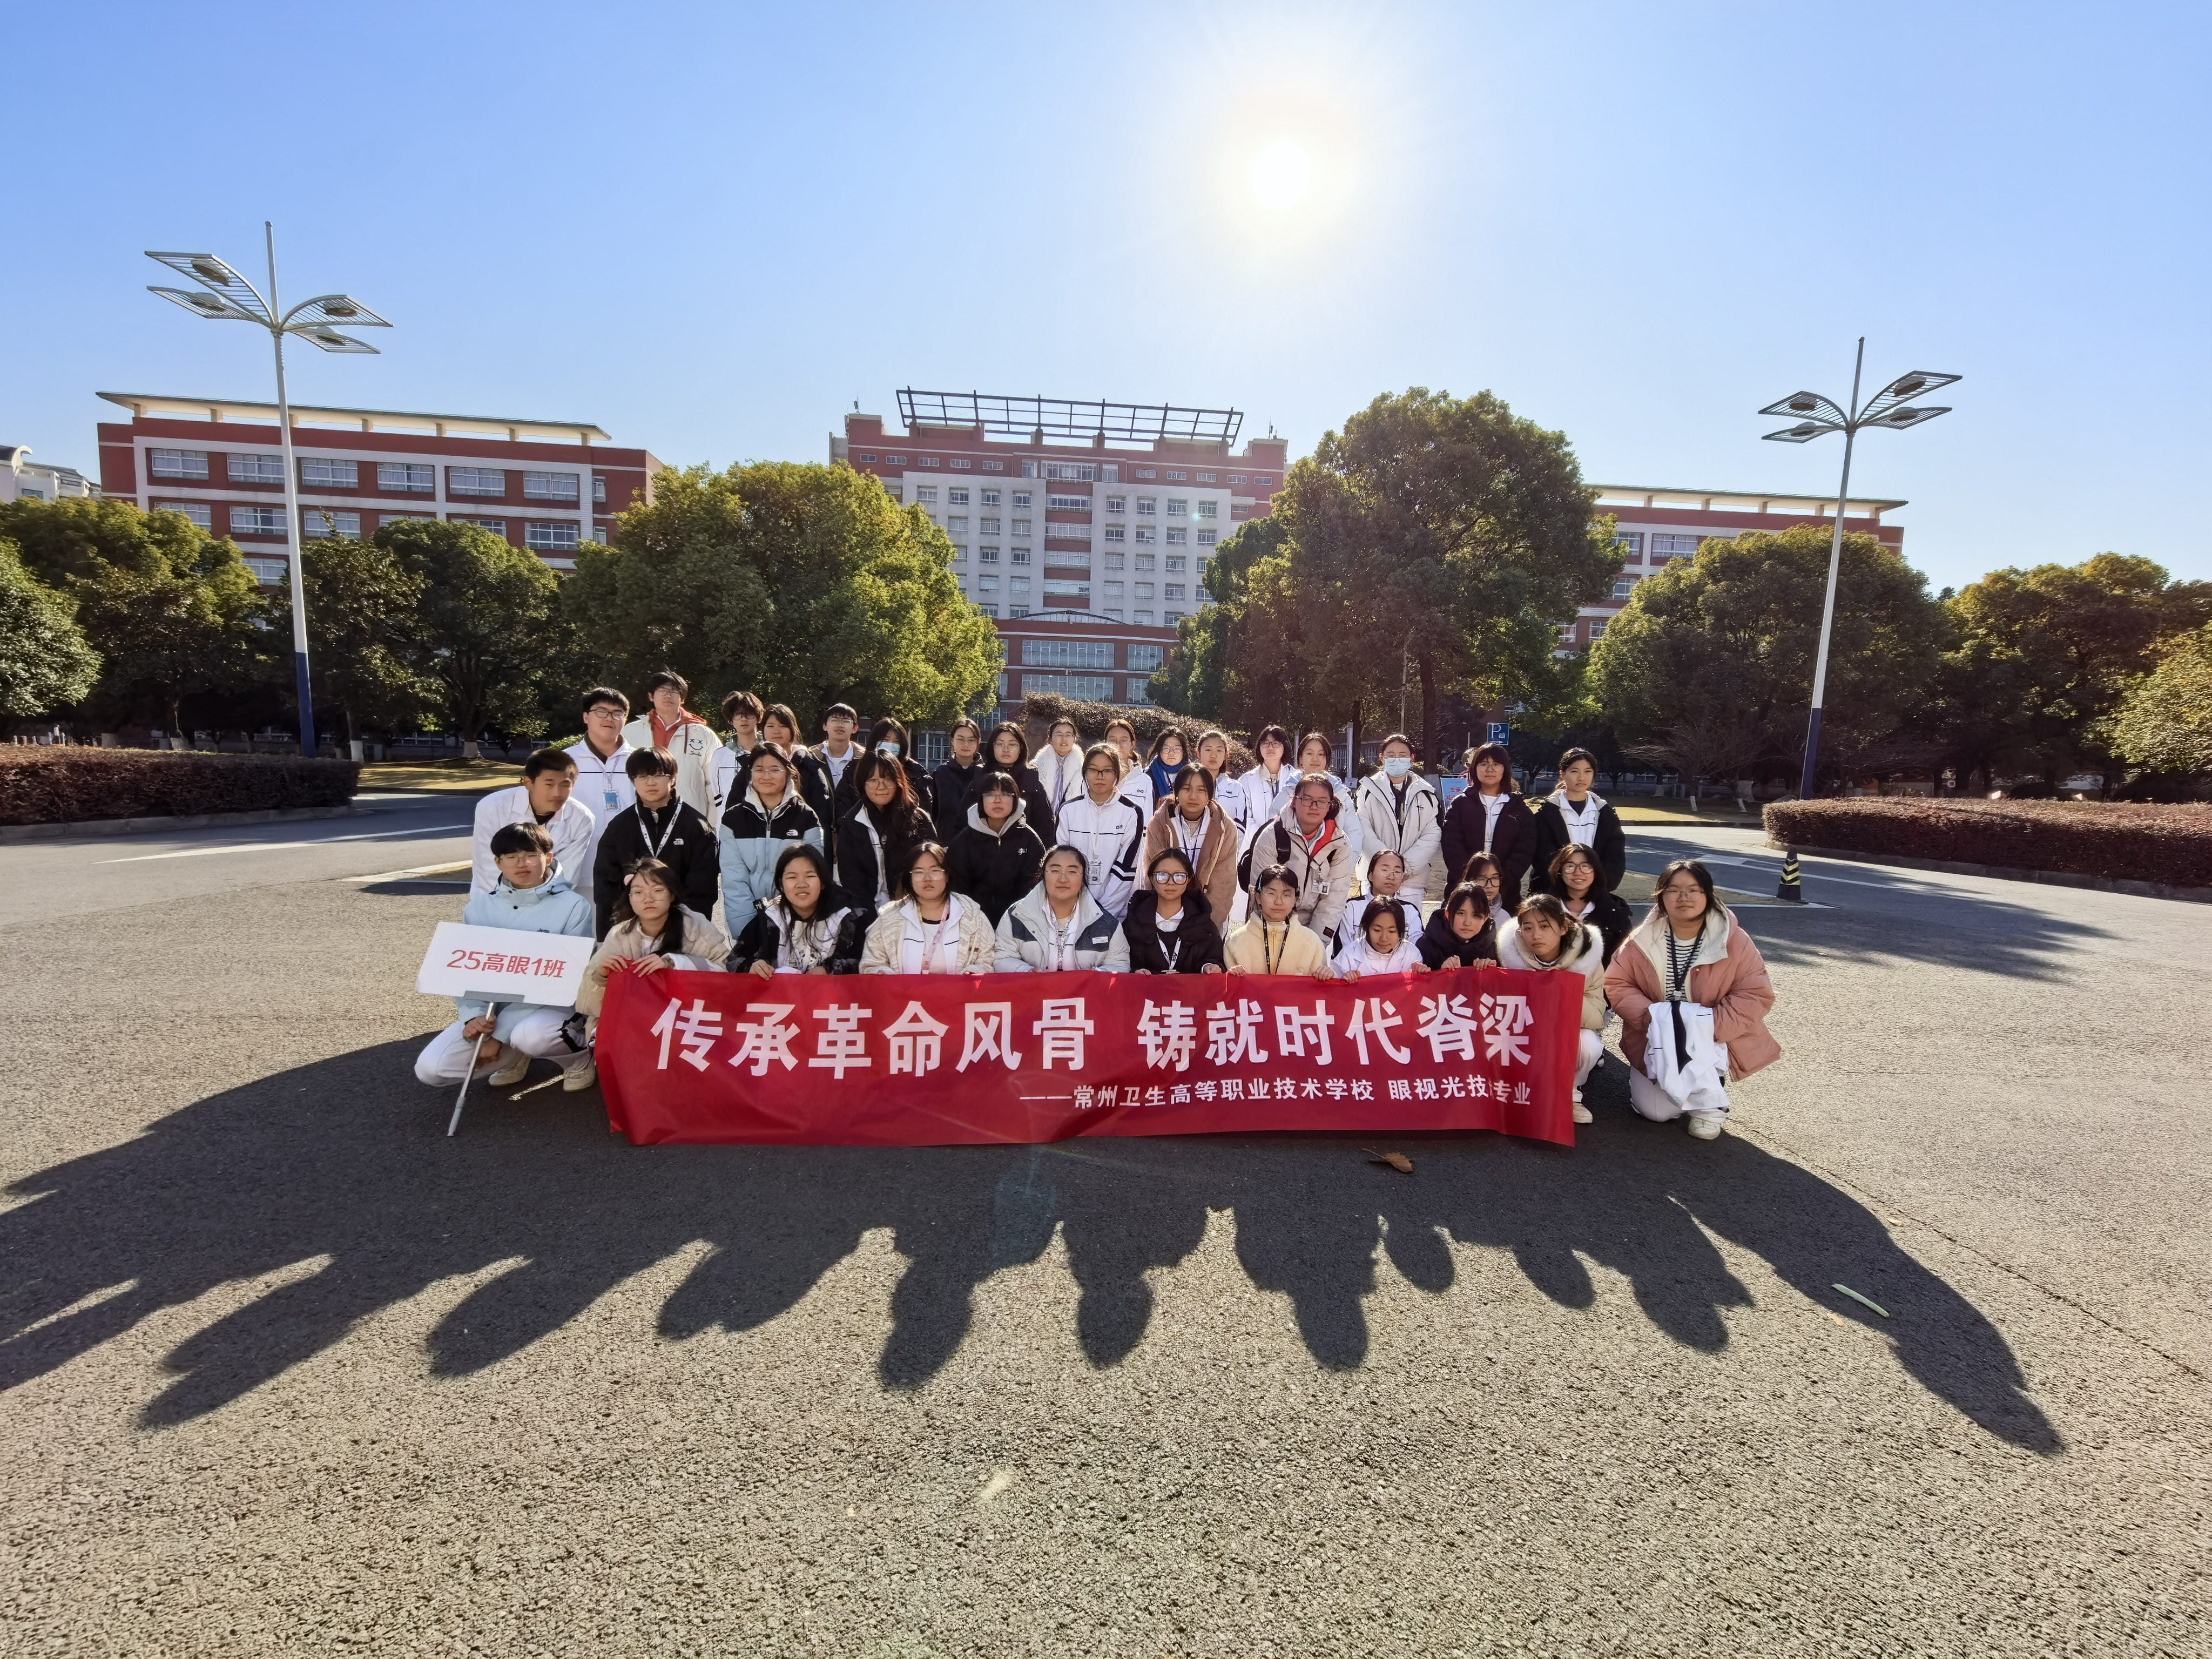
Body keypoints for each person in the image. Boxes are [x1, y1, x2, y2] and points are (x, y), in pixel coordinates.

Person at [1604, 859, 1781, 1141]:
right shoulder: (1643, 939)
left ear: (1707, 895)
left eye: (1693, 890)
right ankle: (1677, 1085)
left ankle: (1711, 1102)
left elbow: (1755, 993)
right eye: (1673, 890)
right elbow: (1617, 982)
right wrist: (1654, 1020)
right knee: (1656, 1112)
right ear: (1661, 896)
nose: (1683, 897)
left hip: (1712, 1037)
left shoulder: (1733, 939)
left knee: (1693, 1028)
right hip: (1655, 1034)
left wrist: (1707, 1027)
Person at [415, 821, 598, 1092]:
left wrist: (498, 1036)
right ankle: (514, 1056)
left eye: (531, 855)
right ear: (498, 863)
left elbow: (565, 980)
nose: (522, 864)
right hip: (494, 1011)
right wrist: (473, 1017)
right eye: (511, 857)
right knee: (432, 1068)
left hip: (554, 1005)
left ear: (548, 857)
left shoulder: (573, 906)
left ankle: (579, 1060)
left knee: (531, 1036)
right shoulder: (478, 908)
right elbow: (466, 974)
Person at [576, 857, 731, 1030]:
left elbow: (726, 974)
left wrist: (675, 963)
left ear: (671, 894)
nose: (648, 899)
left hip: (687, 1024)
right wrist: (603, 976)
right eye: (638, 892)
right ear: (630, 898)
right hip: (634, 1025)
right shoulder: (620, 935)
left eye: (657, 890)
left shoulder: (696, 927)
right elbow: (586, 1000)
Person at [1498, 891, 1606, 1125]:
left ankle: (1571, 1093)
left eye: (1545, 926)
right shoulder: (1512, 959)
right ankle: (1520, 1091)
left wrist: (1563, 993)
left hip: (1568, 1030)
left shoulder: (1587, 961)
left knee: (1588, 1045)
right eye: (1528, 928)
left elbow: (1597, 1013)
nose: (1536, 935)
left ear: (1563, 928)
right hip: (1528, 1031)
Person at [591, 746, 718, 938]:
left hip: (682, 933)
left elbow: (702, 891)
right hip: (630, 933)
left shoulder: (697, 827)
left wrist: (680, 931)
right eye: (642, 776)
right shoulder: (619, 827)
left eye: (658, 775)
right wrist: (614, 936)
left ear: (673, 778)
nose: (650, 782)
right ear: (633, 781)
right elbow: (606, 889)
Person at [1238, 772, 1355, 950]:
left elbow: (1334, 901)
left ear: (1330, 805)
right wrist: (1271, 941)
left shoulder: (1339, 844)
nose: (1314, 807)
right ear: (1294, 801)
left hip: (1314, 931)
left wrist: (1314, 946)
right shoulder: (1273, 836)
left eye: (1322, 801)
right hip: (1270, 929)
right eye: (1307, 800)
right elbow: (1261, 893)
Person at [718, 741, 825, 934]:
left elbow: (810, 876)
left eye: (775, 769)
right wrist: (746, 930)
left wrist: (787, 920)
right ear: (750, 773)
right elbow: (734, 881)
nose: (766, 776)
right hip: (746, 920)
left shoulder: (806, 817)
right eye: (759, 769)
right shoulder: (733, 819)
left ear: (788, 772)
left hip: (794, 921)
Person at [729, 842, 867, 976]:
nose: (801, 884)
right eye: (792, 877)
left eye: (810, 876)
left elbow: (867, 962)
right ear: (781, 885)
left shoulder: (849, 918)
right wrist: (753, 966)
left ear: (823, 882)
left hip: (831, 993)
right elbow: (734, 960)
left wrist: (830, 970)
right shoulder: (769, 919)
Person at [470, 748, 594, 895]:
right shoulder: (493, 807)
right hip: (494, 899)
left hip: (549, 902)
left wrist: (541, 904)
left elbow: (565, 876)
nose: (557, 793)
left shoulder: (582, 818)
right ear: (528, 783)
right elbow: (488, 870)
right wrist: (504, 903)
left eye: (565, 785)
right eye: (549, 784)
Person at [859, 842, 996, 973]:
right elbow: (871, 964)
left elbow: (988, 960)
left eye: (935, 871)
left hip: (960, 990)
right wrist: (882, 973)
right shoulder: (888, 918)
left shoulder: (973, 917)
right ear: (909, 879)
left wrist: (973, 973)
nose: (927, 878)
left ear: (947, 875)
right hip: (904, 991)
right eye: (919, 872)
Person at [995, 845, 1131, 971]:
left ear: (1083, 877)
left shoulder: (1106, 924)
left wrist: (1091, 978)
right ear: (1044, 874)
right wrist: (1026, 971)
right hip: (1032, 990)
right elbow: (1002, 956)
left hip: (1085, 991)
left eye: (1072, 871)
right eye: (1055, 871)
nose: (1063, 879)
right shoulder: (1017, 916)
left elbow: (1119, 964)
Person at [835, 751, 937, 915]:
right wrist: (870, 921)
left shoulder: (919, 819)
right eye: (873, 780)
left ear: (898, 781)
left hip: (915, 913)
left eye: (888, 779)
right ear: (862, 784)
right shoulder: (851, 825)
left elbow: (933, 867)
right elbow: (852, 881)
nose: (881, 787)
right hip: (869, 917)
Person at [1055, 742, 1147, 919]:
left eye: (1107, 771)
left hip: (1114, 914)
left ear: (1117, 774)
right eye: (1093, 770)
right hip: (1072, 909)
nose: (1100, 776)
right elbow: (1062, 862)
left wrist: (1102, 915)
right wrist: (1079, 908)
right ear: (1085, 772)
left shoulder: (1131, 813)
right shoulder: (1068, 810)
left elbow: (1126, 869)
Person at [1141, 763, 1242, 923]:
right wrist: (1167, 919)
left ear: (1210, 794)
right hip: (1166, 917)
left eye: (1201, 790)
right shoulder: (1159, 824)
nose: (1193, 796)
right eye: (1186, 789)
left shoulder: (1225, 828)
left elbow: (1224, 884)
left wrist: (1206, 925)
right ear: (1177, 792)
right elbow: (1153, 876)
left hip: (1209, 918)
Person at [946, 770, 1046, 925]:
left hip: (1019, 921)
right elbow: (957, 888)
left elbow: (1034, 886)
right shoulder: (963, 842)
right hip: (973, 922)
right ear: (981, 800)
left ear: (1015, 799)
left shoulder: (1028, 839)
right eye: (991, 795)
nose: (998, 800)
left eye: (1005, 794)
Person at [1352, 732, 1445, 900]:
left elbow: (1432, 833)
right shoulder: (1367, 790)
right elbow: (1363, 829)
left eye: (1402, 755)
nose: (1397, 759)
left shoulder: (1426, 793)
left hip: (1413, 881)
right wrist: (1385, 867)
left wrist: (1404, 868)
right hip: (1374, 878)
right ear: (1382, 758)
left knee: (1409, 917)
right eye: (1391, 755)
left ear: (1412, 758)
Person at [1440, 741, 1535, 903]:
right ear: (1474, 768)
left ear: (1505, 769)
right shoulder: (1460, 804)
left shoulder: (1519, 808)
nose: (1490, 769)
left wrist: (1499, 881)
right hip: (1462, 889)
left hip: (1506, 893)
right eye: (1484, 764)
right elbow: (1452, 845)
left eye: (1496, 764)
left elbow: (1524, 849)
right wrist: (1469, 879)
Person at [621, 670, 718, 820]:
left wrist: (711, 823)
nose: (668, 695)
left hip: (691, 819)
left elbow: (715, 783)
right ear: (651, 696)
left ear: (682, 699)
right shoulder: (630, 732)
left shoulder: (703, 735)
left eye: (674, 691)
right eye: (662, 690)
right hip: (640, 818)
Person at [1529, 746, 1627, 893]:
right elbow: (1543, 857)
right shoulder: (1546, 813)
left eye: (1588, 771)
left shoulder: (1605, 813)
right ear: (1563, 774)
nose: (1582, 777)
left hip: (1595, 892)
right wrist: (1568, 882)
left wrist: (1597, 884)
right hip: (1553, 893)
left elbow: (1615, 857)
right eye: (1575, 771)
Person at [1121, 847, 1225, 974]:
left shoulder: (1203, 924)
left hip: (1190, 988)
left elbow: (1215, 958)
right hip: (1145, 987)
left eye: (1179, 876)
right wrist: (1134, 973)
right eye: (1163, 875)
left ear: (1189, 879)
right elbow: (1120, 962)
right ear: (1152, 878)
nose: (1171, 882)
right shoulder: (1134, 923)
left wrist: (1209, 967)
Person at [565, 687, 635, 874]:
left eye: (617, 713)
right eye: (601, 712)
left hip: (629, 868)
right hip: (577, 867)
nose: (609, 718)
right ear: (586, 717)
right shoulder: (564, 762)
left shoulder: (640, 761)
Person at [1223, 864, 1334, 978]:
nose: (1278, 902)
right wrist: (1232, 976)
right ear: (1258, 897)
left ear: (1295, 900)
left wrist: (1326, 975)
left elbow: (1322, 987)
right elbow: (1228, 986)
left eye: (1286, 895)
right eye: (1271, 893)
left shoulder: (1312, 942)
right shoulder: (1237, 941)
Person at [763, 703, 836, 855]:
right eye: (770, 726)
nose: (776, 731)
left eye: (783, 726)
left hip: (800, 847)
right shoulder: (752, 766)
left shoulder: (809, 766)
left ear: (793, 730)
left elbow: (822, 814)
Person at [833, 716, 938, 824]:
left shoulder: (916, 774)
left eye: (896, 742)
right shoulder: (855, 770)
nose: (891, 745)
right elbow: (843, 810)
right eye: (885, 740)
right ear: (874, 741)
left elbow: (924, 816)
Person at [1544, 843, 1634, 967]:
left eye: (1585, 866)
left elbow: (1625, 961)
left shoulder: (1615, 914)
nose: (1578, 873)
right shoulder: (1542, 909)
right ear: (1560, 871)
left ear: (1596, 871)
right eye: (1570, 866)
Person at [970, 721, 1057, 837]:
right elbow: (964, 821)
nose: (1006, 749)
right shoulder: (981, 776)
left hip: (1023, 846)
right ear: (993, 747)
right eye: (1000, 744)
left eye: (1012, 745)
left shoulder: (1031, 778)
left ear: (1021, 748)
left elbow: (1045, 825)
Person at [1293, 731, 1364, 860]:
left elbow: (1354, 832)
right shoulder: (1289, 789)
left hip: (1333, 864)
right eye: (1310, 753)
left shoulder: (1339, 792)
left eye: (1321, 754)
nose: (1316, 759)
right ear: (1301, 759)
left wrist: (1346, 865)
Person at [1336, 849, 1416, 964]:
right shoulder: (1352, 907)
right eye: (1384, 870)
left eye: (1397, 872)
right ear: (1370, 875)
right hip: (1356, 971)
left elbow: (1416, 950)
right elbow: (1343, 948)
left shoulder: (1410, 911)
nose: (1391, 876)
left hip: (1398, 971)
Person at [706, 690, 765, 829]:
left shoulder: (771, 753)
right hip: (729, 826)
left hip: (764, 824)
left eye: (749, 714)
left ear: (758, 718)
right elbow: (717, 794)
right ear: (731, 720)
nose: (744, 719)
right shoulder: (720, 756)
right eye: (738, 714)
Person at [1417, 881, 1501, 970]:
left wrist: (1491, 972)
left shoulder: (1492, 950)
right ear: (1447, 913)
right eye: (1461, 913)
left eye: (1476, 916)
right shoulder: (1427, 946)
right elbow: (1415, 978)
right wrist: (1440, 972)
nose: (1467, 923)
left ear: (1485, 919)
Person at [1336, 900, 1427, 981]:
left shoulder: (1411, 954)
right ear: (1366, 927)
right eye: (1377, 930)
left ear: (1400, 930)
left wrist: (1421, 976)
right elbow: (1333, 986)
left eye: (1391, 931)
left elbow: (1418, 992)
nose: (1384, 938)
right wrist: (1343, 980)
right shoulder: (1349, 955)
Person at [1236, 724, 1296, 840]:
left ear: (1285, 746)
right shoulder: (1246, 781)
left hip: (1291, 843)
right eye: (1265, 743)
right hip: (1254, 844)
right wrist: (1263, 837)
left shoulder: (1295, 779)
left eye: (1276, 743)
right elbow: (1244, 817)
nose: (1270, 747)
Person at [931, 718, 987, 827]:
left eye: (971, 740)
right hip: (946, 837)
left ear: (978, 742)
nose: (966, 744)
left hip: (978, 836)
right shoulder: (940, 774)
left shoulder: (986, 775)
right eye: (961, 739)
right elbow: (932, 813)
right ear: (952, 741)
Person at [1031, 716, 1088, 821]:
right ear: (1050, 739)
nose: (1064, 739)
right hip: (1041, 822)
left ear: (1075, 739)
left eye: (1068, 735)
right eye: (1059, 734)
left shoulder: (1085, 769)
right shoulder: (1035, 767)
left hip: (1073, 822)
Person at [1103, 717, 1155, 821]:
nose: (1118, 745)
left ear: (1132, 744)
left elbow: (1146, 821)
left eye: (1124, 740)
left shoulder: (1145, 781)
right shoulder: (1093, 777)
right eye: (1112, 740)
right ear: (1105, 743)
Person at [1192, 729, 1242, 829]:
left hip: (1227, 839)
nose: (1213, 755)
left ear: (1226, 755)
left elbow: (1240, 825)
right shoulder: (1187, 783)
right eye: (1208, 750)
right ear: (1198, 753)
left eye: (1219, 751)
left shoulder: (1236, 788)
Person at [813, 702, 862, 795]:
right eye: (835, 720)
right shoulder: (811, 757)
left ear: (855, 728)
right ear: (825, 726)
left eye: (846, 721)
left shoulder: (864, 758)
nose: (840, 725)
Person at [1459, 852, 1514, 932]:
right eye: (1482, 879)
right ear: (1470, 880)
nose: (1489, 886)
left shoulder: (1504, 917)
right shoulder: (1458, 912)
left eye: (1495, 878)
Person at [1144, 727, 1189, 807]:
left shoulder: (1192, 775)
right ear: (1160, 751)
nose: (1171, 753)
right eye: (1166, 748)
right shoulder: (1147, 775)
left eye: (1177, 749)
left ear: (1184, 752)